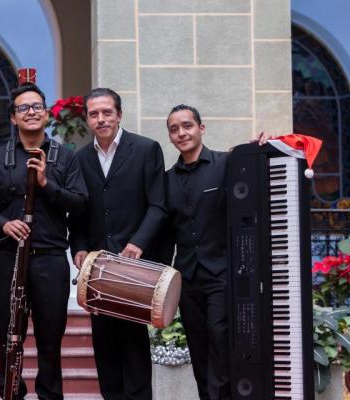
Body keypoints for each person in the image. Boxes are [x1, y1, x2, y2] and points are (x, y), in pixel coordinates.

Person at [0, 71, 88, 400]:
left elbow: (80, 203)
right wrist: (3, 224)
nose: (30, 112)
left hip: (50, 259)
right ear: (13, 118)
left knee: (50, 341)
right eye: (22, 108)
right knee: (8, 340)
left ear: (46, 113)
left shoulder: (66, 157)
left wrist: (46, 184)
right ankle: (12, 395)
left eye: (36, 107)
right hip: (8, 258)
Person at [161, 104, 270, 400]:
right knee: (198, 346)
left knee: (220, 338)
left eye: (187, 126)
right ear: (170, 137)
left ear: (201, 128)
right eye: (174, 129)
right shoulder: (167, 180)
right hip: (188, 276)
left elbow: (255, 175)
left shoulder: (226, 163)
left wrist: (260, 148)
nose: (181, 133)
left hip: (221, 273)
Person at [69, 88, 166, 400]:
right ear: (87, 119)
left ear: (119, 114)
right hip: (97, 268)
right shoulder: (80, 158)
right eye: (94, 114)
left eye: (107, 112)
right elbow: (78, 209)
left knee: (133, 345)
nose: (101, 119)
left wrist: (138, 243)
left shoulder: (146, 149)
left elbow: (158, 205)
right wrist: (79, 246)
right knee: (105, 348)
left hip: (133, 266)